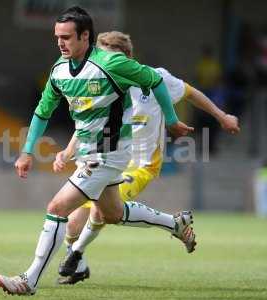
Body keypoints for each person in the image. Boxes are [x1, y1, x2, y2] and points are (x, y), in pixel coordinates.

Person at [0, 6, 193, 295]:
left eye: (66, 37)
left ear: (85, 36)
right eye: (57, 37)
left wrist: (172, 120)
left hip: (108, 154)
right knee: (112, 213)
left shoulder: (111, 64)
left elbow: (155, 81)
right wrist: (27, 151)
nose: (60, 43)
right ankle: (175, 224)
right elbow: (42, 112)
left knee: (56, 208)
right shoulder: (59, 70)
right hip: (89, 153)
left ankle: (28, 280)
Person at [54, 31, 241, 285]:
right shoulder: (99, 80)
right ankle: (79, 265)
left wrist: (222, 117)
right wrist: (67, 151)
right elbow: (89, 121)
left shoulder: (156, 78)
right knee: (74, 221)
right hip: (106, 158)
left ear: (128, 57)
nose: (109, 65)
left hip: (141, 163)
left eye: (114, 58)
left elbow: (190, 92)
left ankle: (78, 255)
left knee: (105, 211)